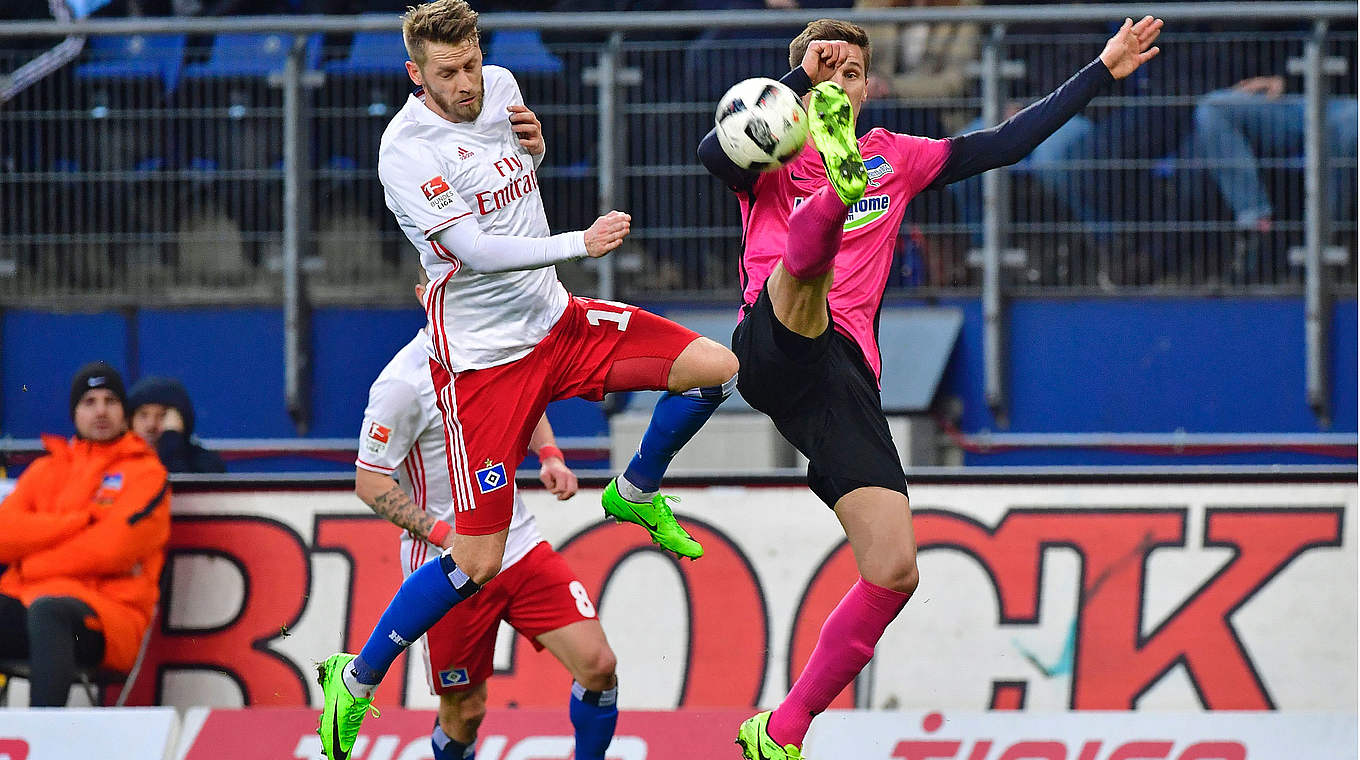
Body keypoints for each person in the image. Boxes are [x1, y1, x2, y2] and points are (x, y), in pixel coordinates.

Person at [697, 16, 1160, 759]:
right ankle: (831, 206)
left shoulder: (900, 158)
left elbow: (1010, 142)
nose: (839, 85)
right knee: (801, 278)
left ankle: (780, 730)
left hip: (844, 381)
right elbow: (709, 155)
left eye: (851, 75)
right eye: (826, 73)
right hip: (772, 338)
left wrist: (1102, 68)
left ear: (869, 88)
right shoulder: (770, 148)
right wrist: (796, 85)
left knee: (893, 572)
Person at [316, 3, 739, 757]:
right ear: (416, 75)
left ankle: (635, 490)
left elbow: (508, 195)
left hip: (559, 324)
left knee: (715, 369)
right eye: (448, 73)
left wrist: (536, 156)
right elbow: (474, 249)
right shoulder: (405, 150)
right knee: (476, 563)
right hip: (486, 364)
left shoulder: (505, 87)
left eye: (472, 62)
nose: (468, 82)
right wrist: (583, 241)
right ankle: (354, 680)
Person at [356, 315, 616, 760]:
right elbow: (371, 482)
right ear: (427, 296)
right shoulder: (402, 384)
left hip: (518, 544)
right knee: (466, 710)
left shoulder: (496, 346)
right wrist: (444, 535)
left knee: (598, 666)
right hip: (448, 569)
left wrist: (550, 455)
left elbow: (525, 402)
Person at [0, 362, 171, 706]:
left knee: (50, 611)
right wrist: (76, 523)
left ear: (125, 411)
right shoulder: (46, 469)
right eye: (89, 402)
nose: (101, 411)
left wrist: (31, 562)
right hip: (30, 602)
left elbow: (112, 550)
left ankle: (43, 739)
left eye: (110, 400)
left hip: (106, 618)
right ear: (75, 412)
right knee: (42, 608)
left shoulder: (146, 473)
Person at [128, 376, 227, 474]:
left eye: (162, 415)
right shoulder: (120, 461)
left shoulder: (207, 463)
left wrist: (170, 439)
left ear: (180, 420)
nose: (151, 425)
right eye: (143, 415)